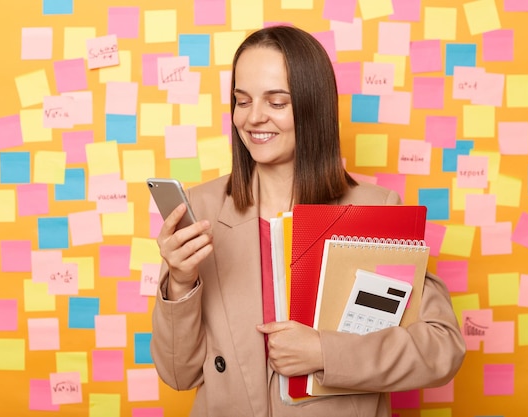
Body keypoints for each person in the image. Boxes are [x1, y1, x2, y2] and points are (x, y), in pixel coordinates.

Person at [150, 25, 465, 417]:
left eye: (277, 102)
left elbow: (441, 349)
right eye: (242, 101)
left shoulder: (373, 209)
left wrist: (324, 351)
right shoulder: (202, 208)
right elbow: (178, 374)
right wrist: (180, 283)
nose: (254, 118)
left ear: (313, 106)